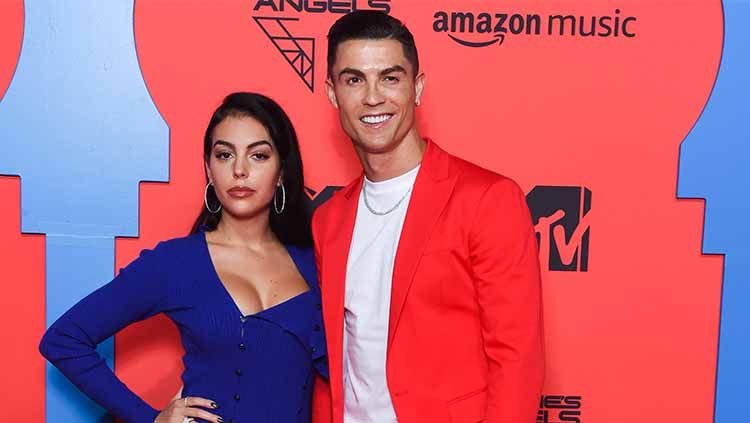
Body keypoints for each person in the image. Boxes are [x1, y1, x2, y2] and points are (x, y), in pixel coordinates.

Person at [311, 11, 544, 423]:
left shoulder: (487, 199)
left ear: (417, 88)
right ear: (332, 94)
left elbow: (517, 360)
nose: (372, 97)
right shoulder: (328, 219)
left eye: (390, 77)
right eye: (354, 80)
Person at [40, 92, 327, 423]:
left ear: (281, 172)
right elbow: (63, 340)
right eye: (224, 155)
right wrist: (150, 418)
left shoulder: (315, 261)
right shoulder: (176, 264)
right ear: (208, 167)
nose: (239, 170)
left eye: (258, 155)